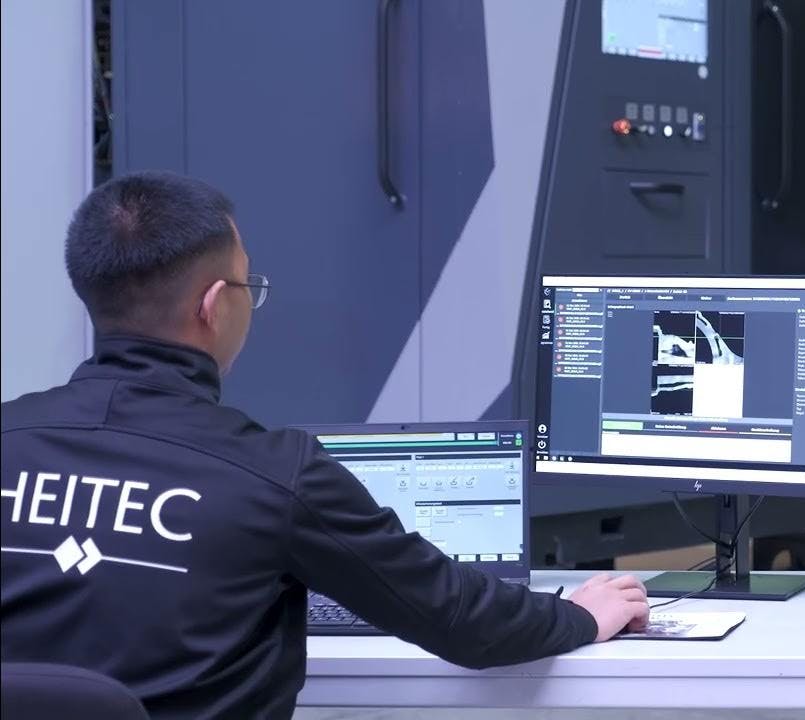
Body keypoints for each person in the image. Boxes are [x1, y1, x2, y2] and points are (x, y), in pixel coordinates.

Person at [0, 171, 649, 718]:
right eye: (247, 287)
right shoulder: (272, 475)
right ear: (212, 306)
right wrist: (582, 616)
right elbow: (463, 620)